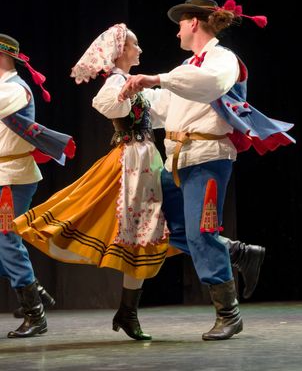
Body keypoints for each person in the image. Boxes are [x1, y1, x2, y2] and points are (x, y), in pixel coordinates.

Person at [14, 24, 267, 341]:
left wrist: (149, 87)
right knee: (144, 232)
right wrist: (127, 90)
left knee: (152, 231)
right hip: (133, 162)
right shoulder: (119, 81)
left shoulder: (207, 63)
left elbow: (164, 107)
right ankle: (233, 256)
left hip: (155, 160)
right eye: (135, 45)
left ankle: (139, 308)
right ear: (121, 50)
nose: (141, 50)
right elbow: (108, 103)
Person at [119, 0, 294, 340]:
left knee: (201, 234)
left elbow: (208, 84)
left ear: (193, 23)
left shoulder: (223, 60)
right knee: (163, 227)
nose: (177, 33)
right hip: (177, 160)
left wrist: (155, 78)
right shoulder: (186, 67)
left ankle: (229, 314)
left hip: (207, 158)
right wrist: (123, 88)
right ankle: (238, 252)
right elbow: (161, 108)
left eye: (180, 25)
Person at [0, 33, 74, 337]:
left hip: (12, 177)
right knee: (3, 242)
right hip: (4, 174)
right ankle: (35, 291)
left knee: (6, 239)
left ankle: (35, 313)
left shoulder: (15, 89)